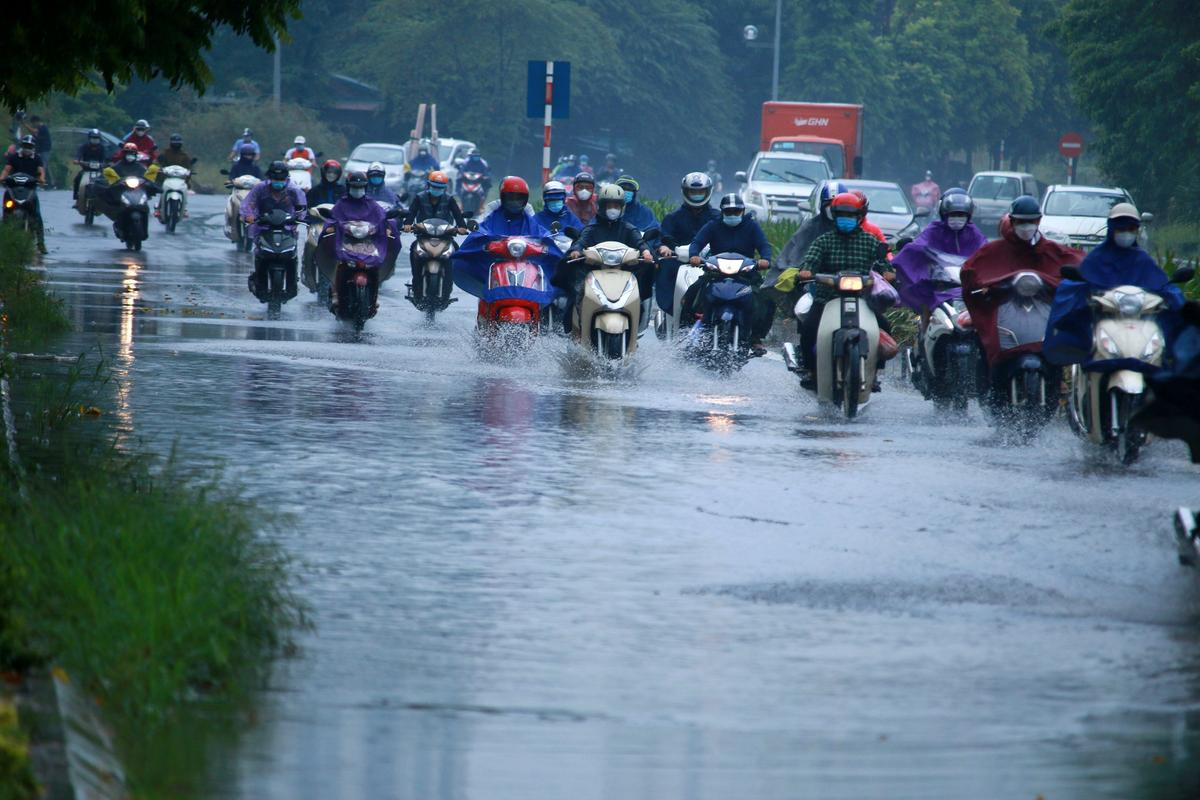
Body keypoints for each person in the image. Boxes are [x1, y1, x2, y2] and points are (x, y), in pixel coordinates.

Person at [1044, 202, 1186, 366]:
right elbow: (1080, 283)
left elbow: (1160, 284)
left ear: (1137, 230)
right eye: (1121, 228)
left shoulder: (1143, 260)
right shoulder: (1096, 259)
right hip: (1102, 322)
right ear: (1111, 228)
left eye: (1131, 228)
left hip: (1139, 323)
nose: (1126, 233)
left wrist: (1171, 294)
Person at [961, 195, 1081, 374]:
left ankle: (1058, 384)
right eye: (1021, 222)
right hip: (1005, 311)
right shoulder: (995, 250)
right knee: (985, 341)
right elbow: (971, 271)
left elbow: (1076, 263)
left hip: (1043, 312)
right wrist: (986, 287)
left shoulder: (1050, 250)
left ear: (1039, 221)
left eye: (1031, 221)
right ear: (1012, 221)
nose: (1026, 227)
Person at [793, 191, 893, 382]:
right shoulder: (824, 240)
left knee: (885, 326)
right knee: (809, 329)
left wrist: (888, 272)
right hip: (827, 297)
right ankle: (810, 370)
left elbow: (884, 264)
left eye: (850, 216)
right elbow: (810, 259)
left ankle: (875, 372)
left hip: (862, 298)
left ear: (859, 217)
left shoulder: (870, 241)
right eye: (841, 216)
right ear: (835, 216)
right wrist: (806, 270)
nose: (845, 220)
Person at [677, 194, 774, 353]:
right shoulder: (713, 225)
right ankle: (685, 332)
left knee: (766, 299)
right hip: (716, 273)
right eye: (729, 212)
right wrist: (694, 255)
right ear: (722, 212)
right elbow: (697, 242)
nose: (733, 215)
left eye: (737, 211)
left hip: (746, 274)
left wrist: (765, 259)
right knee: (692, 293)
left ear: (743, 212)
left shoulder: (752, 226)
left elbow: (764, 245)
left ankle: (756, 337)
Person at [558, 183, 654, 333]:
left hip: (623, 272)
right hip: (594, 271)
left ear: (622, 207)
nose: (612, 209)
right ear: (601, 207)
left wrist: (646, 252)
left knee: (641, 289)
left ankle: (636, 324)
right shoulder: (592, 229)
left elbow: (640, 242)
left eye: (616, 205)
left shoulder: (628, 228)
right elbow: (581, 241)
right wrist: (576, 251)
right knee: (577, 292)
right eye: (609, 205)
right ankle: (574, 327)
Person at [892, 188, 987, 323]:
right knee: (926, 305)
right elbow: (919, 245)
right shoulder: (934, 230)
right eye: (953, 215)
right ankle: (923, 336)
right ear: (944, 214)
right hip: (939, 284)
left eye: (961, 215)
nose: (957, 219)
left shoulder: (973, 233)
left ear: (968, 215)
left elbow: (985, 251)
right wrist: (906, 254)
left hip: (966, 285)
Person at [241, 161, 307, 300]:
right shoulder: (260, 188)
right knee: (260, 254)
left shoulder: (293, 190)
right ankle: (258, 279)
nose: (278, 182)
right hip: (263, 227)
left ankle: (293, 280)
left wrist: (299, 218)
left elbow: (301, 206)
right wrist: (249, 216)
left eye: (281, 179)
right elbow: (248, 204)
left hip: (287, 228)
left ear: (286, 178)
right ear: (269, 178)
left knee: (292, 254)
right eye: (275, 179)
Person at [656, 172, 719, 314]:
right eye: (692, 191)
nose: (696, 195)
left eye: (701, 192)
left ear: (708, 192)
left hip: (709, 262)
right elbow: (663, 237)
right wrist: (664, 247)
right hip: (680, 262)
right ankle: (671, 311)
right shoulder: (673, 218)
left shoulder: (717, 217)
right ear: (685, 192)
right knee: (663, 268)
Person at [779, 180, 847, 267]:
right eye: (829, 205)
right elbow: (793, 254)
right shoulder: (810, 228)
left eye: (838, 205)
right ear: (822, 205)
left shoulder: (856, 229)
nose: (833, 210)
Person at [0, 135, 48, 252]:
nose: (27, 148)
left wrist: (42, 179)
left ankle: (41, 243)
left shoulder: (37, 158)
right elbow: (7, 170)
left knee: (36, 214)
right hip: (13, 189)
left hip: (29, 190)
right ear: (21, 146)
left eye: (30, 146)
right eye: (25, 146)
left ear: (33, 147)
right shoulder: (14, 157)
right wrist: (2, 178)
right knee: (6, 211)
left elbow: (41, 171)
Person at [155, 133, 194, 218]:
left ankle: (184, 208)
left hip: (180, 178)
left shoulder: (184, 156)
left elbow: (188, 167)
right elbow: (158, 162)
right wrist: (159, 169)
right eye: (174, 142)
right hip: (167, 177)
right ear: (171, 143)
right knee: (163, 189)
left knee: (185, 188)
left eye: (178, 142)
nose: (176, 144)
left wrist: (189, 172)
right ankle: (159, 208)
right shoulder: (165, 153)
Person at [72, 128, 110, 203]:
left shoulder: (103, 147)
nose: (95, 140)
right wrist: (77, 160)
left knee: (107, 182)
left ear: (99, 138)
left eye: (97, 138)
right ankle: (76, 195)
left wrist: (107, 163)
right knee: (77, 179)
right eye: (93, 138)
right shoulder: (84, 146)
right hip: (86, 170)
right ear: (89, 138)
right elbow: (78, 155)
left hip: (99, 171)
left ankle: (106, 199)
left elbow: (107, 158)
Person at [23, 115, 52, 187]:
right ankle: (49, 182)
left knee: (43, 165)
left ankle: (42, 182)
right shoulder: (40, 127)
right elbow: (34, 134)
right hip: (41, 149)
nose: (33, 125)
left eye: (33, 123)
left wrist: (24, 124)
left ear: (36, 122)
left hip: (45, 149)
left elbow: (33, 131)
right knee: (42, 165)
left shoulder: (42, 127)